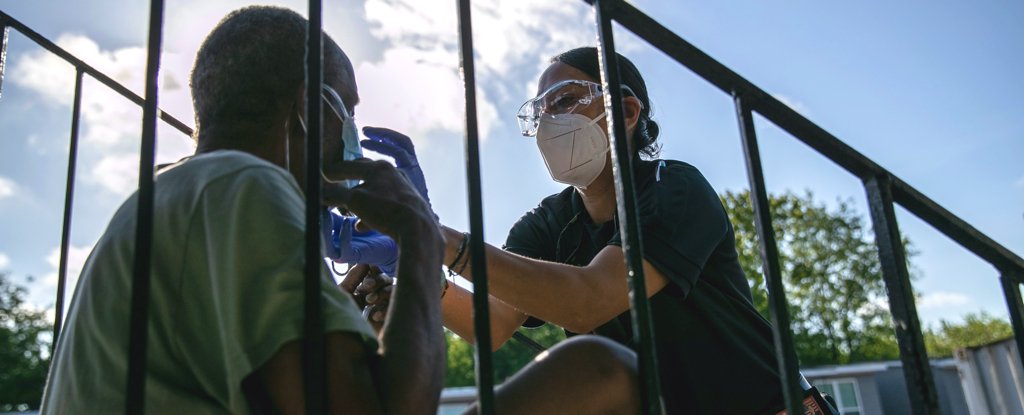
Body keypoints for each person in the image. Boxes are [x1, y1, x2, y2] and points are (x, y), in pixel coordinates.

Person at [41, 7, 641, 414]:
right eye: (348, 110)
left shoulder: (171, 194)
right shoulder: (245, 186)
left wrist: (370, 311)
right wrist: (419, 239)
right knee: (600, 370)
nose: (355, 132)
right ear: (309, 108)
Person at [352, 47, 803, 414]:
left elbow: (587, 301)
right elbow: (490, 323)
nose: (549, 121)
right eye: (539, 112)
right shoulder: (548, 222)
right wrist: (416, 268)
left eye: (564, 101)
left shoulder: (674, 187)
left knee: (590, 365)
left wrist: (431, 236)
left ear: (625, 111)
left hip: (766, 406)